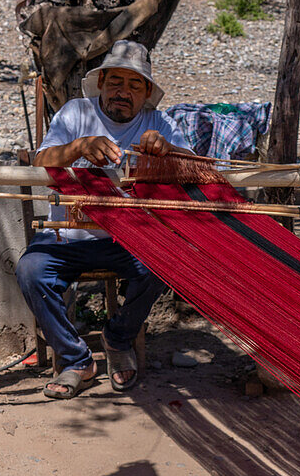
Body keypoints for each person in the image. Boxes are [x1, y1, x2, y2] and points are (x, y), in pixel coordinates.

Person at [15, 40, 192, 400]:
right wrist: (78, 148)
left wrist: (167, 151)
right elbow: (40, 161)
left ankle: (119, 336)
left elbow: (194, 168)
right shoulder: (75, 113)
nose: (123, 92)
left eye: (134, 85)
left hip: (128, 239)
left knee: (167, 263)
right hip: (65, 237)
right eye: (115, 82)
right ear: (101, 84)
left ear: (146, 94)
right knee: (30, 272)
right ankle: (76, 359)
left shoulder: (158, 122)